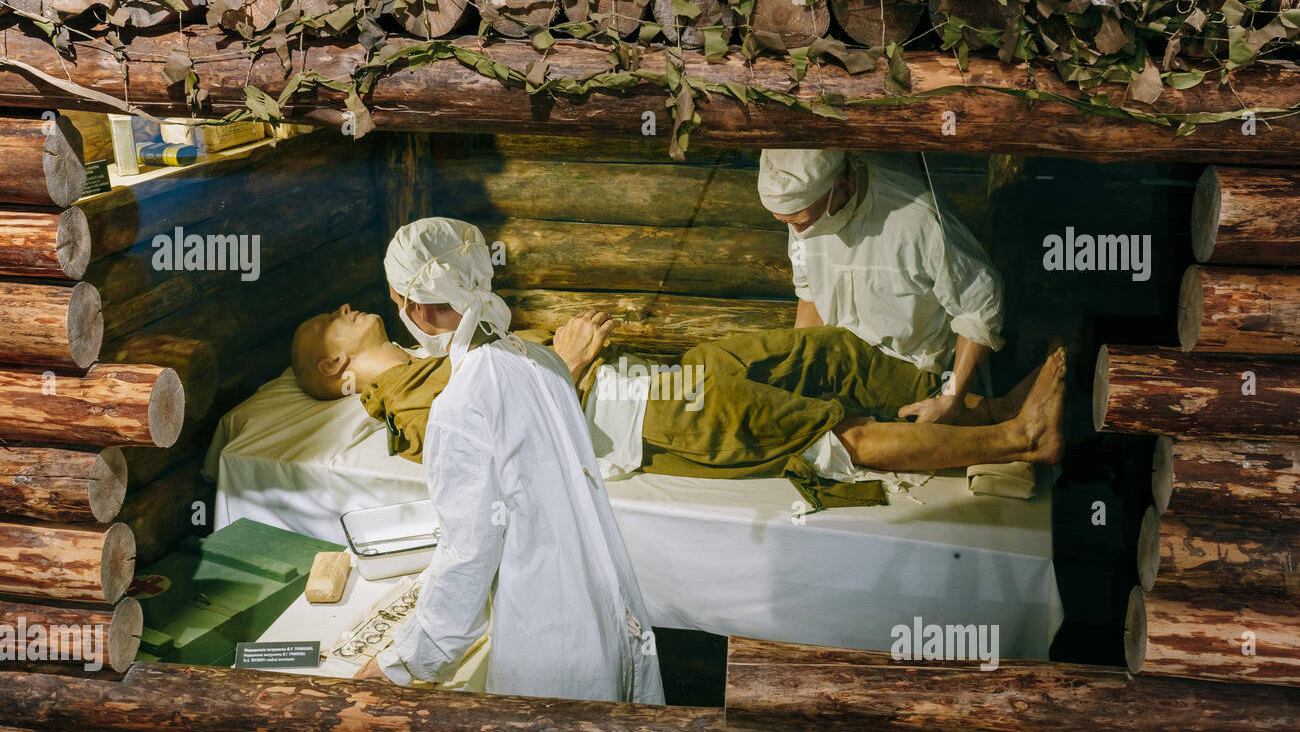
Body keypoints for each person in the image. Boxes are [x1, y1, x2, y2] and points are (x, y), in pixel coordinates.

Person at [293, 262, 1064, 512]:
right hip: (644, 419)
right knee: (823, 430)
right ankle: (1015, 438)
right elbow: (506, 454)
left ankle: (983, 405)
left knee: (825, 348)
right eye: (333, 321)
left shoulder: (435, 347)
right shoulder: (409, 406)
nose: (345, 308)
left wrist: (568, 354)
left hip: (657, 376)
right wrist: (569, 366)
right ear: (334, 369)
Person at [314, 218, 664, 704]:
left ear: (415, 307)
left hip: (552, 645)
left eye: (396, 303)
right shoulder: (542, 361)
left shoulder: (462, 405)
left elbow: (469, 555)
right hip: (609, 617)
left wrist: (401, 663)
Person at [757, 149, 1005, 426]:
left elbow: (979, 308)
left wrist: (950, 399)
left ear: (842, 185)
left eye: (801, 221)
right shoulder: (805, 212)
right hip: (835, 362)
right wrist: (797, 372)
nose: (798, 231)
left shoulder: (919, 222)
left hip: (908, 373)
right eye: (788, 223)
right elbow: (810, 294)